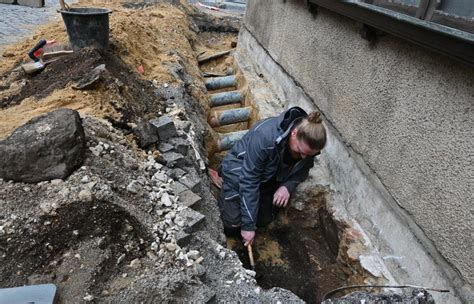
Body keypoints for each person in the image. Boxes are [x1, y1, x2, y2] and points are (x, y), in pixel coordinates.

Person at [217, 106, 327, 246]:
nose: (304, 157)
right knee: (231, 226)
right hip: (239, 170)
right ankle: (224, 189)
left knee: (263, 221)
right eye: (300, 151)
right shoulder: (264, 137)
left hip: (269, 176)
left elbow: (303, 170)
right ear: (294, 133)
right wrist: (248, 227)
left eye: (308, 155)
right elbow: (249, 180)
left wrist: (287, 186)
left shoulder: (308, 145)